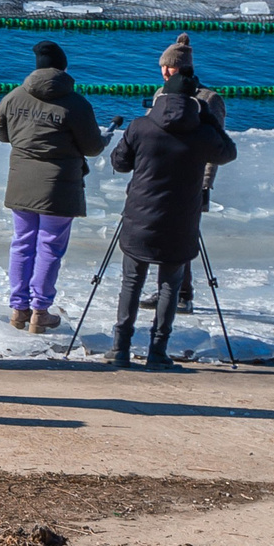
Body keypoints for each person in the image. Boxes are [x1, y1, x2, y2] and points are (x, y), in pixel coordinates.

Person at [105, 52, 237, 370]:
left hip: (139, 215)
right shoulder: (202, 133)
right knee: (169, 285)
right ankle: (157, 352)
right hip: (181, 219)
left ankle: (120, 349)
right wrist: (207, 120)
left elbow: (119, 163)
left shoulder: (140, 126)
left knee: (131, 282)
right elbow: (228, 152)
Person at [0, 40, 106, 333]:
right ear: (63, 68)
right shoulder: (76, 104)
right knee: (49, 247)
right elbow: (92, 147)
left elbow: (1, 134)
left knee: (21, 243)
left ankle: (18, 309)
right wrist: (103, 140)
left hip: (21, 180)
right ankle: (40, 311)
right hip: (60, 184)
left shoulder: (14, 97)